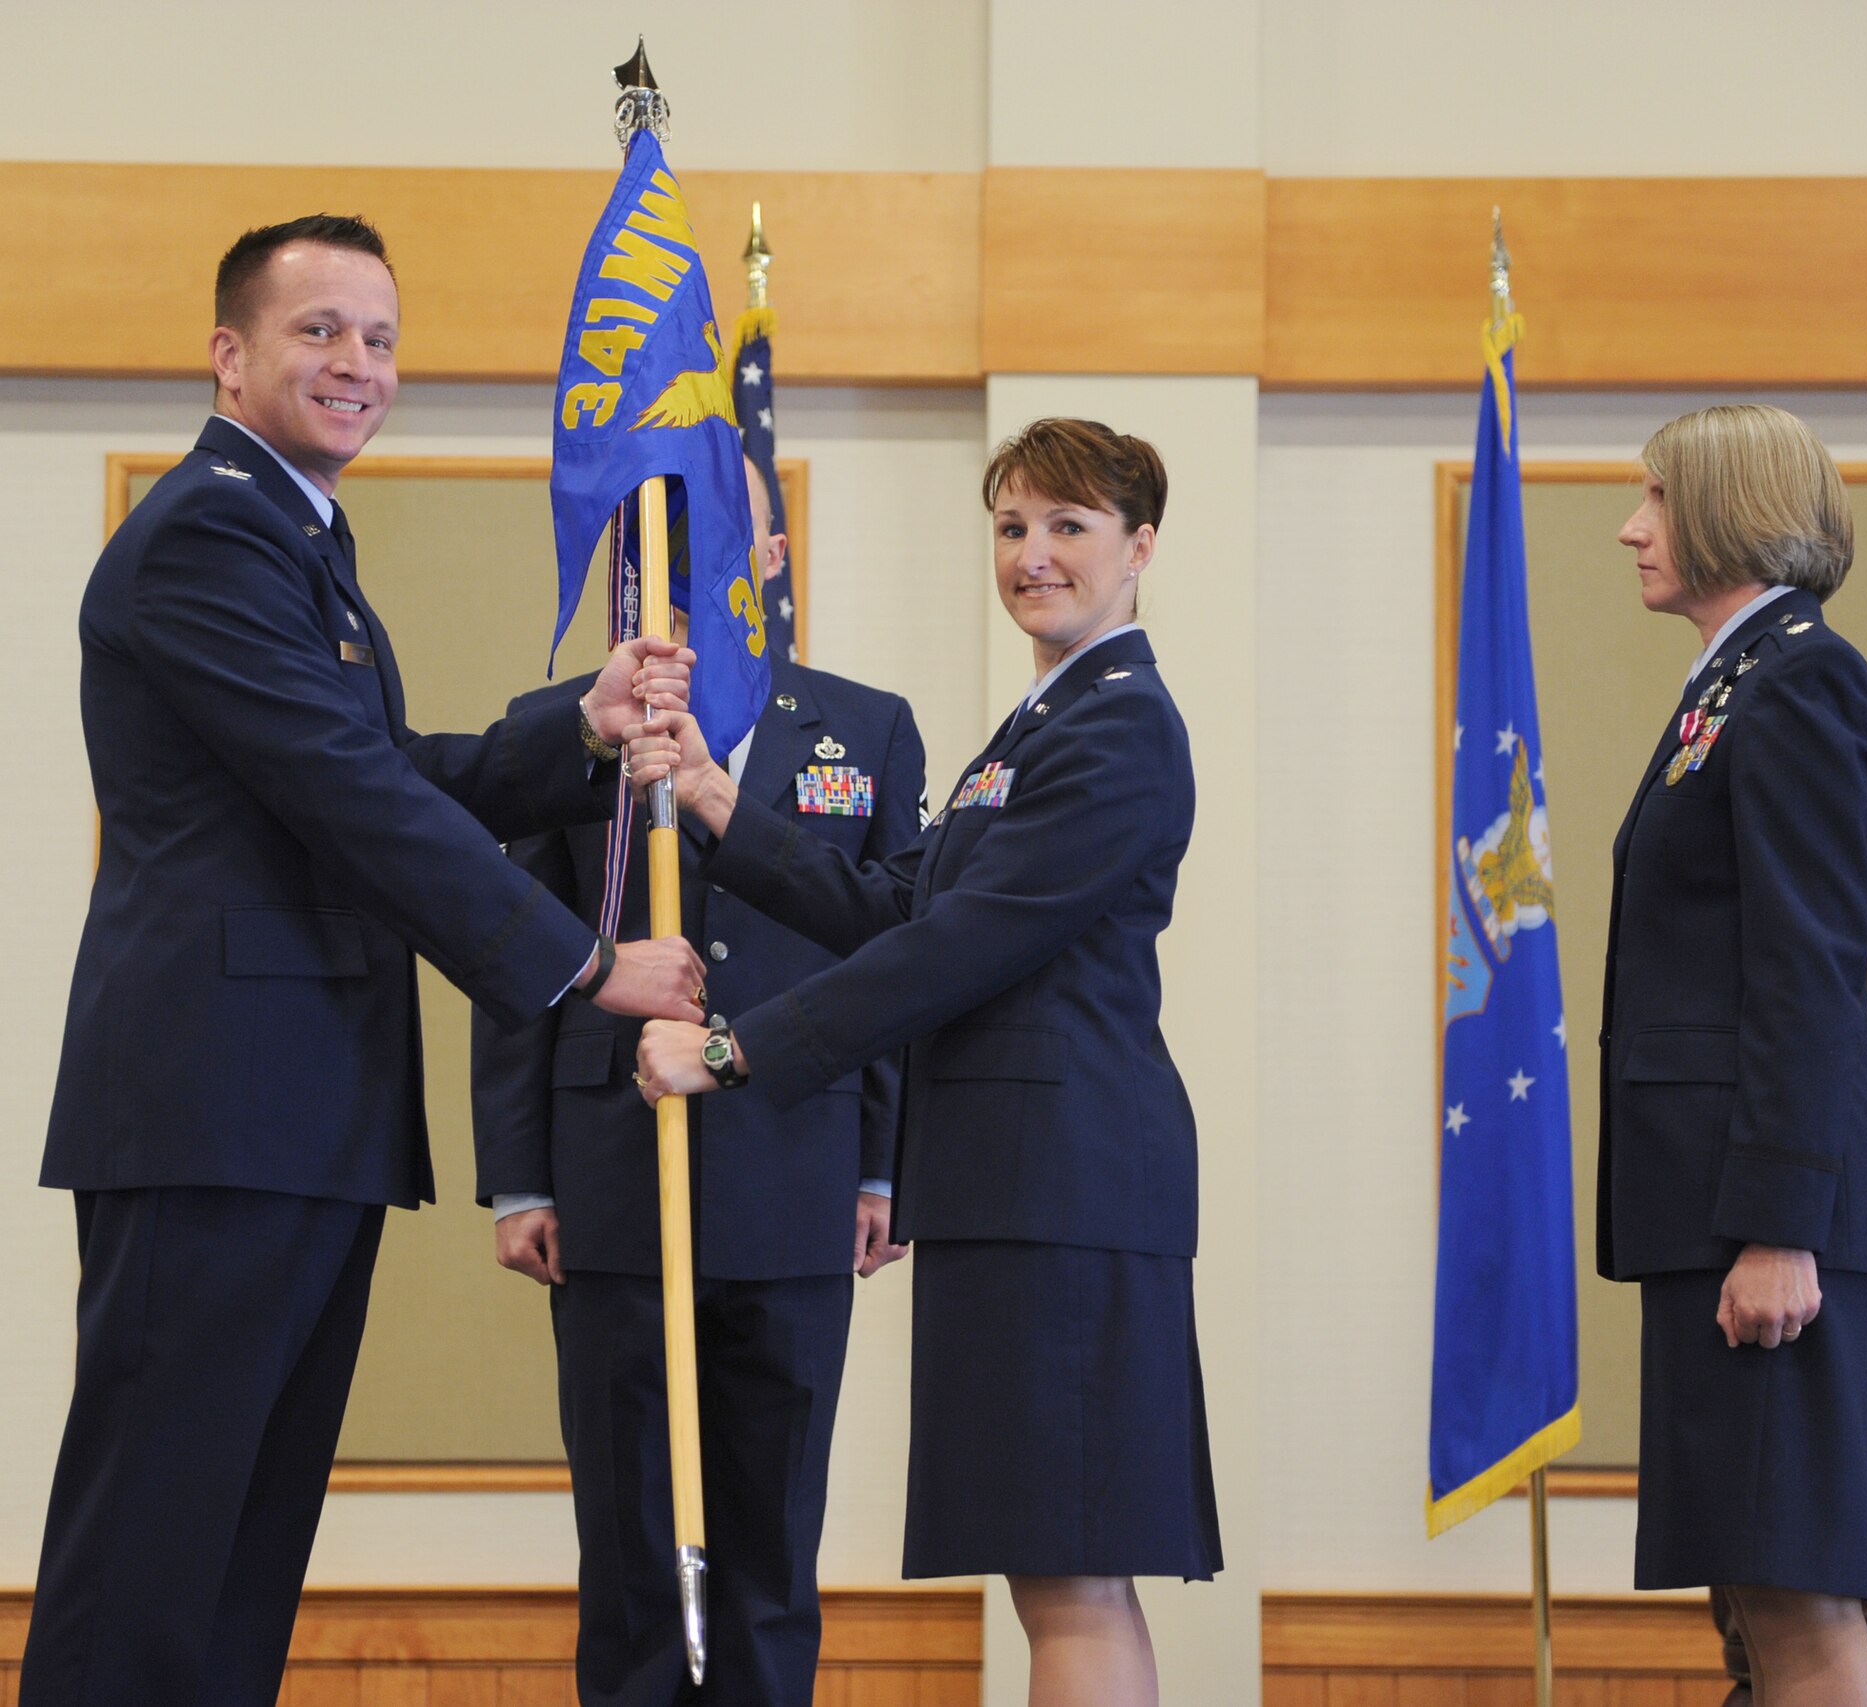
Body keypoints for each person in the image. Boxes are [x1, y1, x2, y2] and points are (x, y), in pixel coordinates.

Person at [23, 214, 705, 1707]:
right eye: (319, 330)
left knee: (241, 1543)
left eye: (381, 339)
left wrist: (571, 730)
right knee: (152, 1545)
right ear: (230, 353)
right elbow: (358, 799)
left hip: (296, 1115)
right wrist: (589, 968)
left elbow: (381, 767)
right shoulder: (208, 531)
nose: (356, 365)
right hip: (214, 1110)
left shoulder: (299, 541)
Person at [622, 417, 1222, 1707]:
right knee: (1048, 1564)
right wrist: (729, 814)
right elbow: (905, 905)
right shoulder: (1039, 720)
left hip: (1066, 1186)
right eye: (1012, 527)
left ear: (1140, 547)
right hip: (1019, 1185)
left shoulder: (1116, 726)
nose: (1032, 554)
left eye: (1068, 527)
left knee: (1070, 1567)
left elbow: (960, 947)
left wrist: (736, 1051)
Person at [470, 454, 927, 1707]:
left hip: (798, 1175)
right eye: (661, 538)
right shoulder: (568, 724)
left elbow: (897, 956)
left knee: (772, 1549)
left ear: (769, 556)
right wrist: (516, 1175)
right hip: (611, 1180)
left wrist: (882, 1160)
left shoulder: (865, 725)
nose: (689, 560)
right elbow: (514, 944)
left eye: (722, 532)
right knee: (626, 1550)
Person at [1603, 404, 1867, 1706]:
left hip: (1768, 1213)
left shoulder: (1801, 677)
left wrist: (1780, 1225)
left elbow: (1807, 965)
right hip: (1713, 1203)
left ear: (1728, 508)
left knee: (1796, 1590)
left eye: (1657, 498)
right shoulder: (1733, 679)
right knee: (1755, 1590)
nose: (1631, 526)